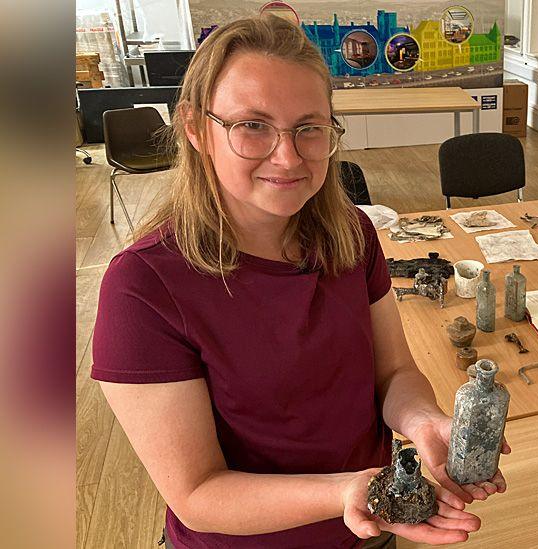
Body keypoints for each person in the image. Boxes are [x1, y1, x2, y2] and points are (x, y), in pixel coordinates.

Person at [91, 16, 507, 549]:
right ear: (196, 129)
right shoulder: (143, 288)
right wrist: (343, 493)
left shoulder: (350, 233)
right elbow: (197, 494)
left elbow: (394, 371)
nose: (287, 157)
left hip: (370, 527)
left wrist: (424, 421)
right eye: (252, 125)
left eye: (309, 127)